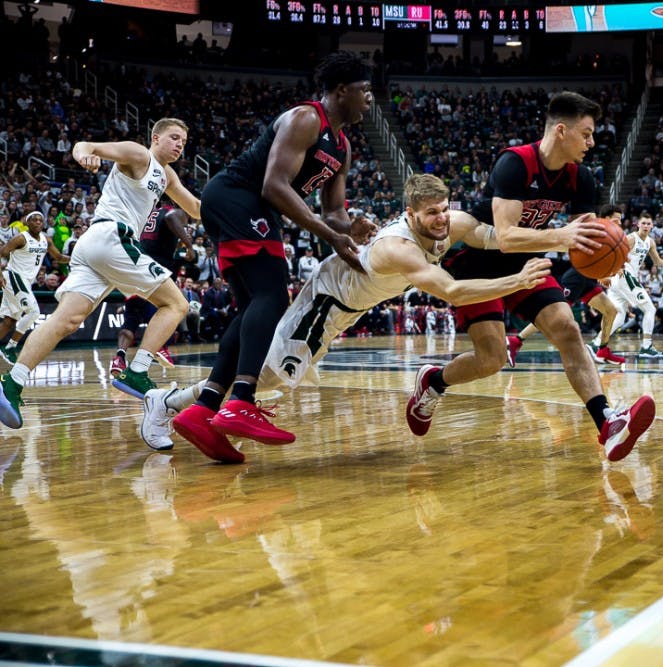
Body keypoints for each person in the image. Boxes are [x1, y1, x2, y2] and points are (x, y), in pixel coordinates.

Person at [144, 174, 552, 460]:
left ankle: (183, 406)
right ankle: (166, 402)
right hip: (326, 301)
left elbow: (491, 236)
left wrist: (561, 238)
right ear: (410, 214)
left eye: (445, 210)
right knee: (271, 377)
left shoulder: (451, 223)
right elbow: (453, 291)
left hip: (349, 310)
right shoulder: (399, 248)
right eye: (431, 213)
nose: (442, 219)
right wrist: (518, 280)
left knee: (276, 378)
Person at [411, 92, 655, 462]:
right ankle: (434, 381)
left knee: (568, 330)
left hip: (528, 261)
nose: (591, 143)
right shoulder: (515, 163)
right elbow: (506, 237)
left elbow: (584, 242)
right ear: (561, 130)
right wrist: (562, 237)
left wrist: (605, 260)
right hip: (478, 261)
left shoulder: (582, 178)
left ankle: (608, 423)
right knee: (492, 358)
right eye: (586, 134)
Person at [170, 53, 377, 451]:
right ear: (341, 91)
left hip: (254, 209)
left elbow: (332, 211)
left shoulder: (343, 146)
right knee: (271, 294)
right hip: (238, 197)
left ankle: (204, 408)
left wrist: (350, 227)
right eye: (364, 90)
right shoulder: (305, 119)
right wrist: (328, 235)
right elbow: (275, 186)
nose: (370, 99)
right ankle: (241, 400)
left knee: (253, 306)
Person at [0, 118, 200, 429]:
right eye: (174, 138)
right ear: (156, 138)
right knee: (176, 304)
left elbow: (198, 208)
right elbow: (87, 146)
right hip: (112, 237)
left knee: (65, 320)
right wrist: (83, 154)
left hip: (95, 247)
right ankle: (137, 371)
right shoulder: (138, 154)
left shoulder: (168, 176)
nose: (179, 145)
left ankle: (11, 383)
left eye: (183, 142)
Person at [505, 203, 625, 367]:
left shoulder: (612, 236)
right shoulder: (596, 232)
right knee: (552, 315)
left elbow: (600, 264)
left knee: (610, 311)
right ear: (605, 219)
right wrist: (602, 274)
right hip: (576, 277)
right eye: (615, 220)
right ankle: (515, 340)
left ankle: (603, 350)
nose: (619, 223)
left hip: (587, 280)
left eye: (620, 220)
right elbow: (590, 260)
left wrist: (604, 274)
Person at [109, 202, 196, 377]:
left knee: (131, 319)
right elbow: (171, 218)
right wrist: (189, 245)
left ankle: (119, 357)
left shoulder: (149, 213)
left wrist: (177, 244)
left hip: (136, 265)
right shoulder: (174, 212)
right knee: (167, 308)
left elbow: (154, 240)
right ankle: (160, 347)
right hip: (155, 268)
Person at [0, 211, 71, 369]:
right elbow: (2, 253)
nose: (38, 222)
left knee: (9, 320)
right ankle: (10, 347)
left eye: (40, 220)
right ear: (27, 222)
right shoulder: (20, 238)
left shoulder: (46, 240)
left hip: (24, 282)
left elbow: (58, 257)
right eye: (34, 220)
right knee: (34, 312)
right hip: (13, 277)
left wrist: (76, 259)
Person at [606, 211, 663, 357]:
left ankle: (597, 342)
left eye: (649, 223)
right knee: (650, 309)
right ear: (638, 224)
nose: (646, 226)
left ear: (652, 225)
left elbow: (658, 262)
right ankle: (646, 347)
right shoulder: (631, 238)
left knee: (620, 316)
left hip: (623, 280)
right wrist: (616, 269)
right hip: (624, 276)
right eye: (643, 223)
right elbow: (615, 253)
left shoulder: (650, 242)